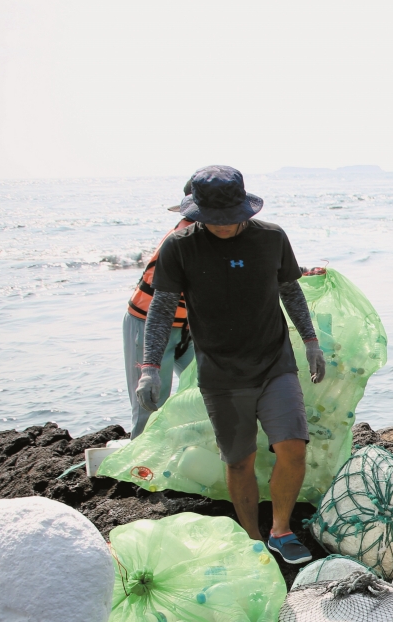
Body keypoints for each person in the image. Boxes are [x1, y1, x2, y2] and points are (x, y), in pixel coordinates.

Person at [134, 165, 324, 565]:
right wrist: (149, 367)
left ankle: (281, 530)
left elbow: (290, 290)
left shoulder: (271, 238)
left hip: (274, 363)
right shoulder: (180, 247)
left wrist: (311, 343)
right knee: (239, 461)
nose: (222, 225)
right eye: (212, 218)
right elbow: (162, 309)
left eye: (229, 217)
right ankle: (252, 540)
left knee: (293, 447)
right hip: (221, 373)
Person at [124, 180, 196, 437]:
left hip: (188, 328)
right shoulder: (181, 239)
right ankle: (139, 459)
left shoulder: (218, 236)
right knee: (150, 405)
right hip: (149, 324)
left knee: (204, 392)